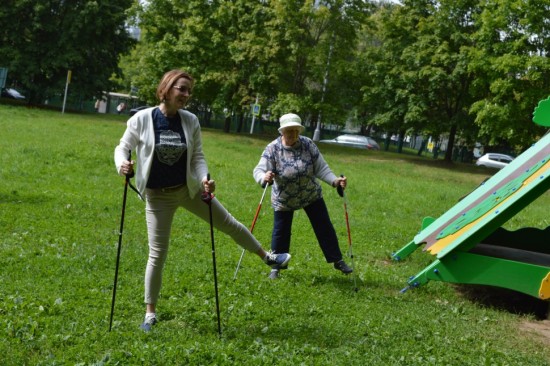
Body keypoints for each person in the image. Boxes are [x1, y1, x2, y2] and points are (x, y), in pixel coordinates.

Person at [114, 69, 291, 331]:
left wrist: (205, 178)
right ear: (167, 87)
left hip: (189, 189)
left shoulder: (190, 121)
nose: (186, 95)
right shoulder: (142, 119)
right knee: (157, 254)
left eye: (189, 91)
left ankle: (267, 257)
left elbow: (197, 157)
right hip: (157, 197)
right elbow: (122, 147)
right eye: (181, 89)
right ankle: (150, 314)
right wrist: (122, 165)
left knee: (228, 223)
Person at [253, 113, 353, 279]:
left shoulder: (308, 145)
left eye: (295, 130)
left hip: (310, 195)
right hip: (284, 199)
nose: (292, 134)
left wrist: (335, 181)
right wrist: (263, 178)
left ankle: (338, 260)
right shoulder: (273, 149)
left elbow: (321, 168)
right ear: (281, 131)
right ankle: (276, 267)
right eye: (288, 131)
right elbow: (259, 170)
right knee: (280, 233)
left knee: (324, 227)